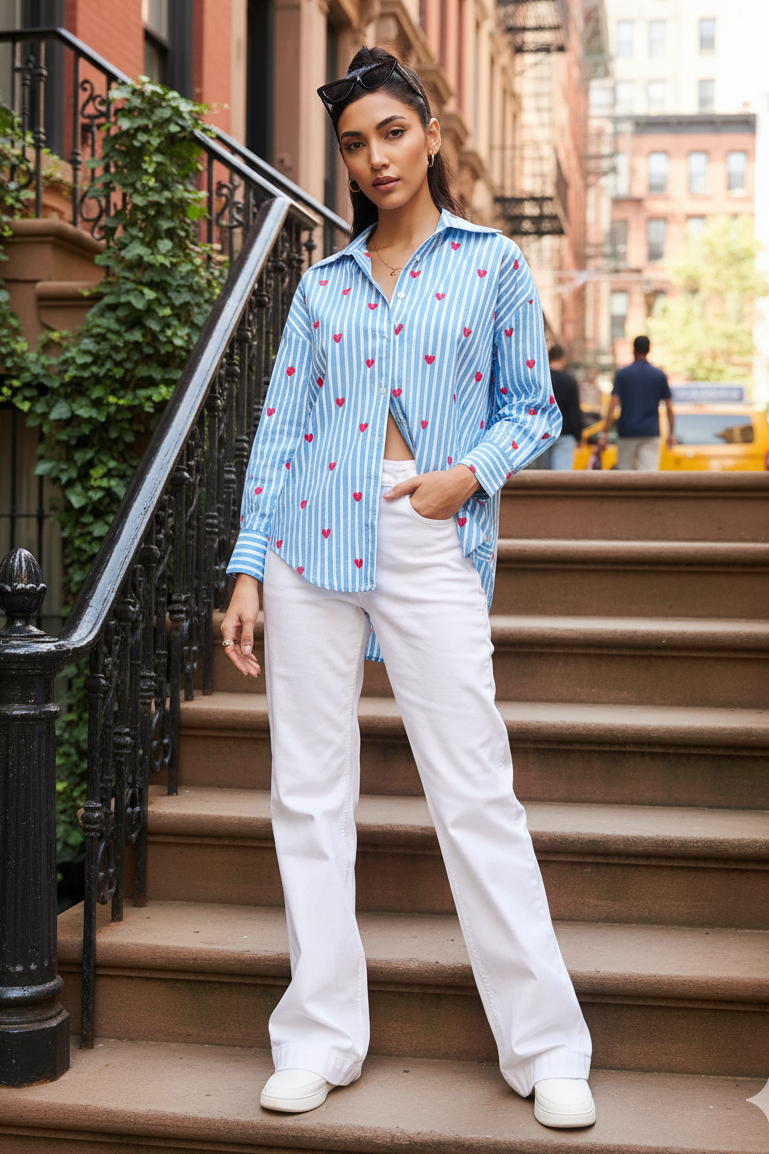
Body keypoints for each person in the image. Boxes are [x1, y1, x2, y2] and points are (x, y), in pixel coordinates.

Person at [221, 45, 594, 1131]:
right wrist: (246, 564)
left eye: (391, 133)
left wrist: (461, 478)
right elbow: (280, 429)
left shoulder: (491, 266)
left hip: (425, 529)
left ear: (429, 136)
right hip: (306, 540)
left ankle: (545, 1045)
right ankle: (320, 1034)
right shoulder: (321, 286)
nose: (374, 158)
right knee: (307, 794)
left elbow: (534, 408)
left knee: (474, 787)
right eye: (353, 143)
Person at [601, 335, 675, 469]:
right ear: (649, 350)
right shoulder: (659, 375)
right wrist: (671, 434)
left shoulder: (623, 374)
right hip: (650, 431)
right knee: (648, 475)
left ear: (633, 349)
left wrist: (605, 431)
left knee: (625, 472)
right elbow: (669, 407)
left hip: (627, 431)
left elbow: (613, 404)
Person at [542, 345, 582, 469]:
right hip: (565, 433)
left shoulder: (542, 379)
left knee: (542, 477)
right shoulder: (569, 380)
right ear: (562, 359)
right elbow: (574, 410)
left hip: (543, 432)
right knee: (561, 476)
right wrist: (578, 435)